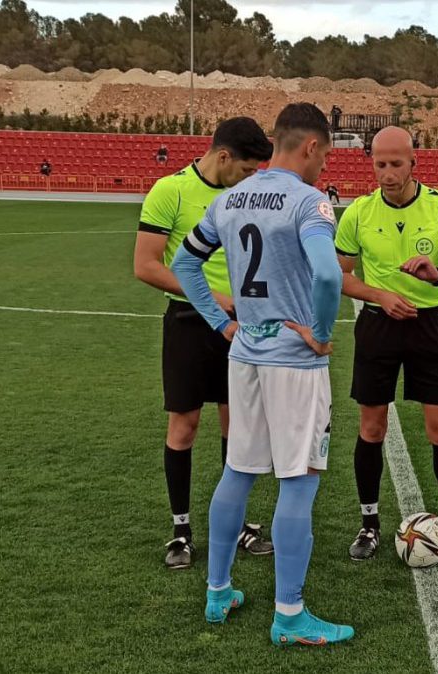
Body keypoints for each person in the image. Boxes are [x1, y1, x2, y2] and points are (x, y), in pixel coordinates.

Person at [171, 102, 353, 646]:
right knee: (298, 481)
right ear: (312, 146)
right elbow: (327, 274)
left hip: (244, 354)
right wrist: (320, 332)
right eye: (326, 156)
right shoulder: (310, 202)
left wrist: (218, 323)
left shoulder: (229, 199)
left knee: (238, 471)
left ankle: (218, 591)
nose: (324, 169)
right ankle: (290, 615)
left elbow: (184, 264)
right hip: (294, 365)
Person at [335, 126, 438, 563]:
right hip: (377, 327)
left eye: (396, 164)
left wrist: (435, 275)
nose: (387, 173)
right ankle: (369, 525)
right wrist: (379, 295)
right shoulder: (358, 213)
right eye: (380, 164)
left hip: (428, 328)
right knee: (372, 429)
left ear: (413, 161)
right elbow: (339, 276)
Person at [133, 117, 275, 569]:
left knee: (240, 430)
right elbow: (147, 266)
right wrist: (211, 295)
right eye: (247, 169)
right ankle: (180, 530)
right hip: (190, 324)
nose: (252, 179)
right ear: (223, 156)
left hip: (242, 326)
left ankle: (238, 524)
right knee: (184, 427)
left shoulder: (248, 196)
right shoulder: (170, 192)